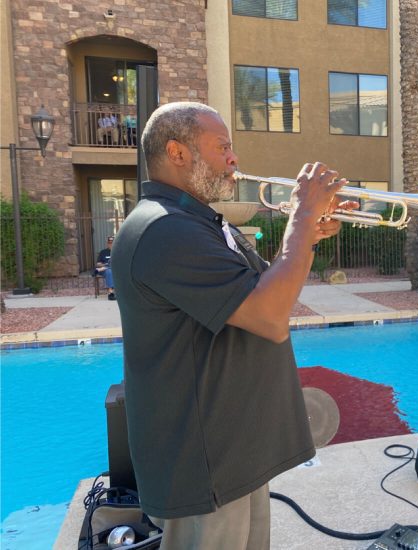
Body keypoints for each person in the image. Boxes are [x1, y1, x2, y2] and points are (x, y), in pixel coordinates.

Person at [112, 102, 353, 550]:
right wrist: (301, 218)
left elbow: (264, 289)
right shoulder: (165, 230)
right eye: (222, 147)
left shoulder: (197, 223)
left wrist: (309, 233)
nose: (233, 158)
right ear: (177, 152)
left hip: (231, 447)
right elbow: (270, 317)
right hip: (205, 459)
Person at [94, 235, 115, 300]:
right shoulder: (103, 252)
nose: (111, 245)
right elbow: (97, 264)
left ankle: (104, 268)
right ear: (107, 244)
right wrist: (103, 265)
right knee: (109, 271)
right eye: (109, 243)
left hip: (115, 269)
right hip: (105, 271)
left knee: (111, 269)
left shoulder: (118, 251)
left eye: (112, 243)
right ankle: (110, 293)